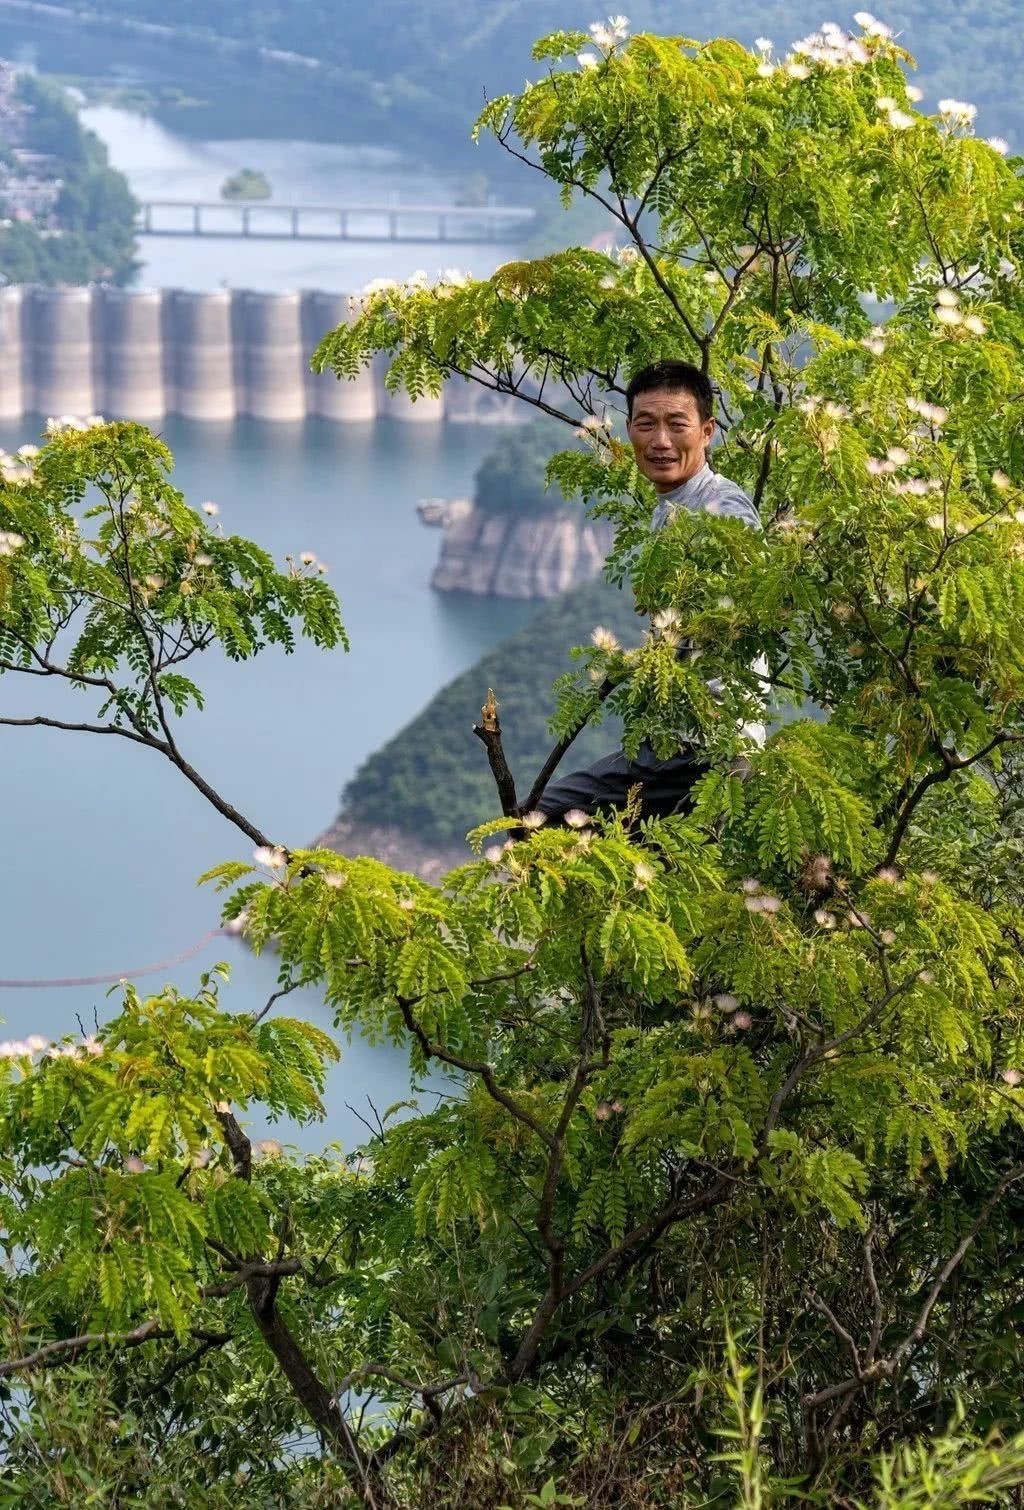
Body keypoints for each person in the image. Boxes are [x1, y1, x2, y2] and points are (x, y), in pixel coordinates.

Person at [534, 359, 761, 825]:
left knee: (540, 818)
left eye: (677, 424)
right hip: (677, 744)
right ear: (629, 432)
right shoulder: (672, 507)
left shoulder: (721, 506)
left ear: (707, 431)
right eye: (645, 424)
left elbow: (742, 606)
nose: (660, 441)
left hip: (706, 748)